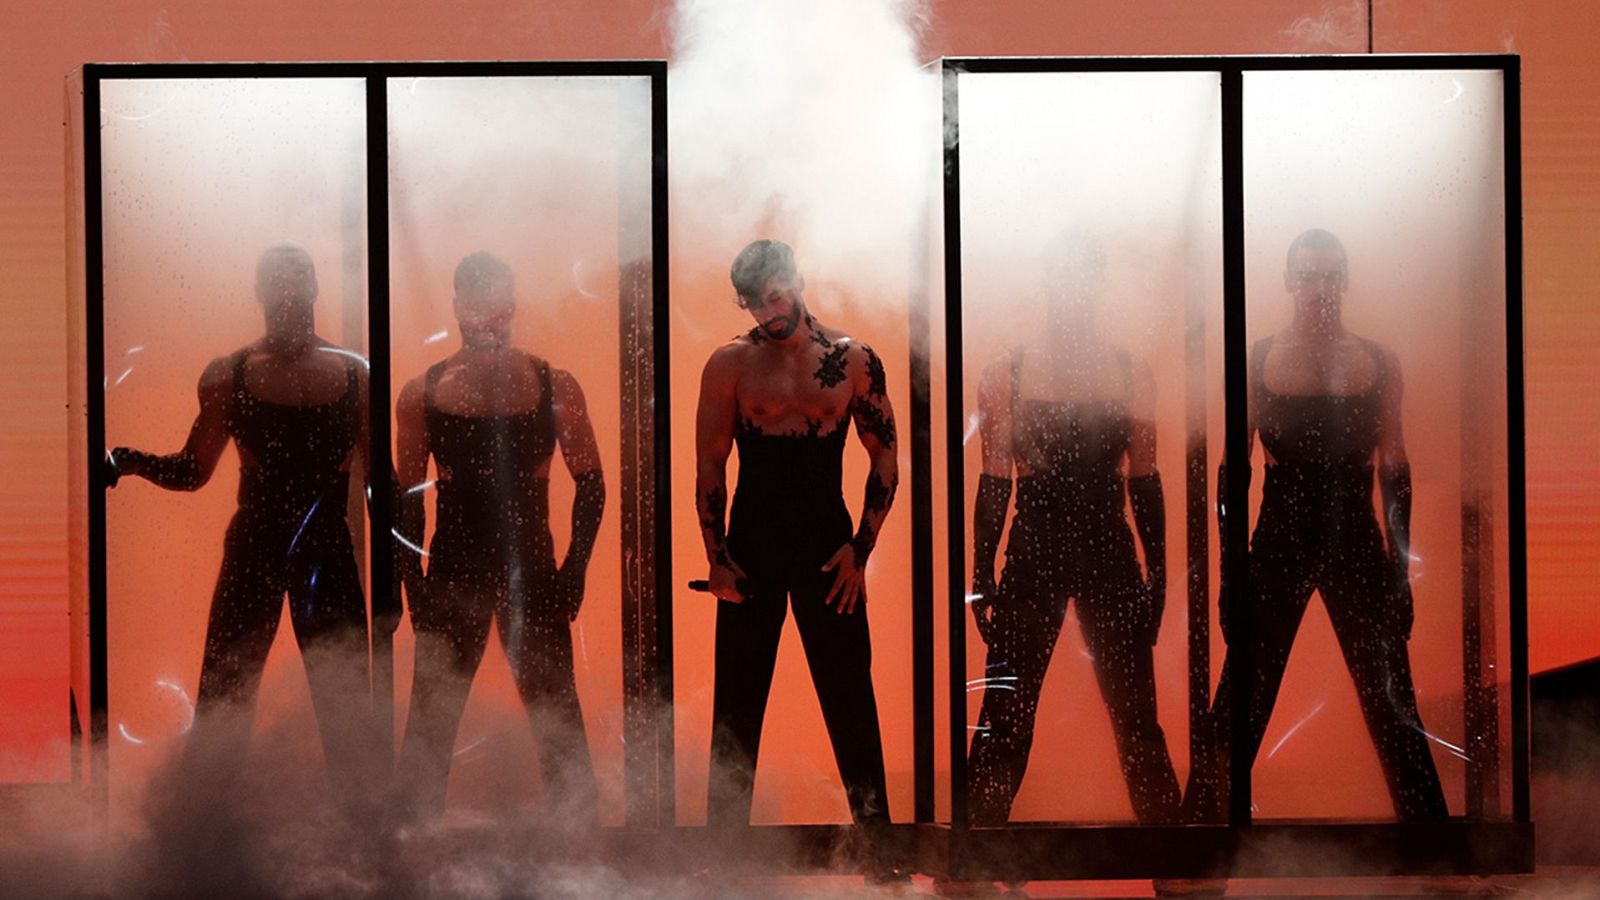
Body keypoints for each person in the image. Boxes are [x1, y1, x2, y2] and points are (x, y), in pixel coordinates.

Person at [109, 243, 390, 802]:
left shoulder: (355, 375)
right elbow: (194, 470)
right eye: (276, 282)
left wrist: (398, 579)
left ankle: (364, 836)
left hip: (321, 548)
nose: (287, 294)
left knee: (344, 707)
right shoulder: (230, 374)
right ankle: (203, 830)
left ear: (313, 288)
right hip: (261, 548)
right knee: (225, 697)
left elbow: (382, 482)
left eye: (296, 281)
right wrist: (131, 461)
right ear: (260, 292)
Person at [1184, 228, 1448, 822]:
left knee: (1392, 698)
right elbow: (1234, 469)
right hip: (1280, 533)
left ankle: (1435, 855)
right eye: (1307, 275)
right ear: (1288, 281)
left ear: (1346, 282)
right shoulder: (1258, 358)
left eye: (1330, 276)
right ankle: (1195, 849)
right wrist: (1232, 574)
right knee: (1243, 696)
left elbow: (1395, 465)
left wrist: (1400, 573)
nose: (1319, 288)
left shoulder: (1378, 361)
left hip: (1354, 534)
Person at [965, 234, 1181, 827]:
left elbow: (1146, 476)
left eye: (1080, 279)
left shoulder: (1128, 370)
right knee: (1006, 711)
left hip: (1106, 546)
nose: (1071, 292)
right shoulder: (1006, 372)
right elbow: (994, 478)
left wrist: (1157, 571)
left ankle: (1176, 862)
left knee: (1136, 712)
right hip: (1037, 543)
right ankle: (976, 858)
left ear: (1095, 285)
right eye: (1061, 278)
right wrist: (982, 572)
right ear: (1048, 284)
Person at [694, 240, 899, 843]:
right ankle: (724, 850)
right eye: (753, 304)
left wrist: (860, 550)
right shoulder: (729, 364)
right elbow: (710, 468)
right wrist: (719, 560)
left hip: (826, 546)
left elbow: (885, 456)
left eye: (773, 296)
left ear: (796, 280)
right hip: (752, 547)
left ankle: (880, 844)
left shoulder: (852, 357)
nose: (766, 312)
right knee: (735, 706)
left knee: (850, 697)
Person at [392, 251, 604, 822]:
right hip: (460, 567)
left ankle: (586, 863)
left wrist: (574, 572)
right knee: (431, 728)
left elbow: (593, 483)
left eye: (500, 297)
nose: (491, 310)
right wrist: (415, 587)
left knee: (558, 721)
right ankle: (408, 859)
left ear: (512, 303)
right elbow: (404, 503)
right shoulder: (424, 392)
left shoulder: (552, 383)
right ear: (459, 305)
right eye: (479, 299)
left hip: (529, 571)